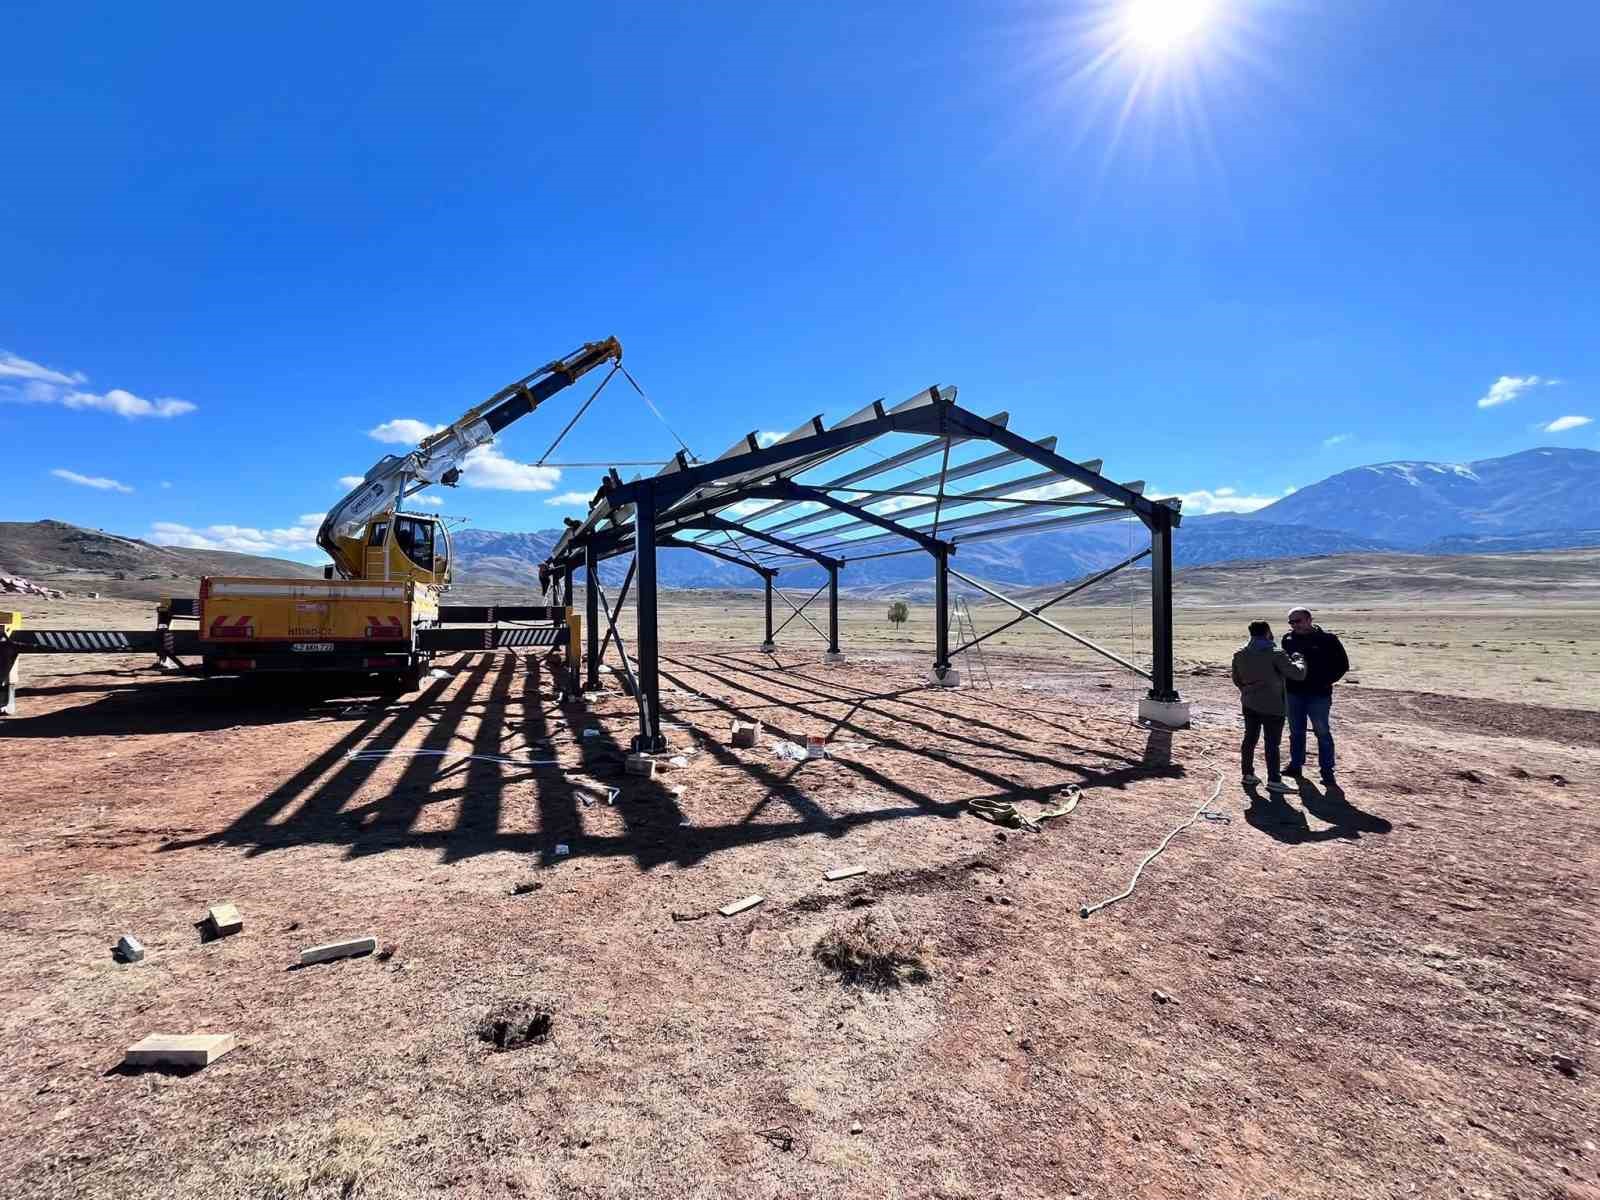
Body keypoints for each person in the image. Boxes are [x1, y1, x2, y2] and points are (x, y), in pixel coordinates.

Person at [1231, 620, 1306, 793]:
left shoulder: (1240, 654)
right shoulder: (1275, 653)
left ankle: (1248, 774)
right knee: (1272, 744)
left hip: (1249, 703)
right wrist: (1299, 660)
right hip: (1273, 706)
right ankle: (1274, 779)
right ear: (1267, 632)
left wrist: (1248, 691)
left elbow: (1236, 679)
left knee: (1249, 739)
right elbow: (1297, 674)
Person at [1281, 606, 1350, 789]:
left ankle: (1327, 771)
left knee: (1322, 731)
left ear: (1309, 620)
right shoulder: (1288, 640)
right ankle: (1296, 765)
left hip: (1318, 694)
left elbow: (1342, 665)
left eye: (1298, 621)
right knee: (1296, 731)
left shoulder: (1327, 640)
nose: (1295, 625)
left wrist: (1325, 681)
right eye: (1291, 622)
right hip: (1293, 693)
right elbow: (1284, 664)